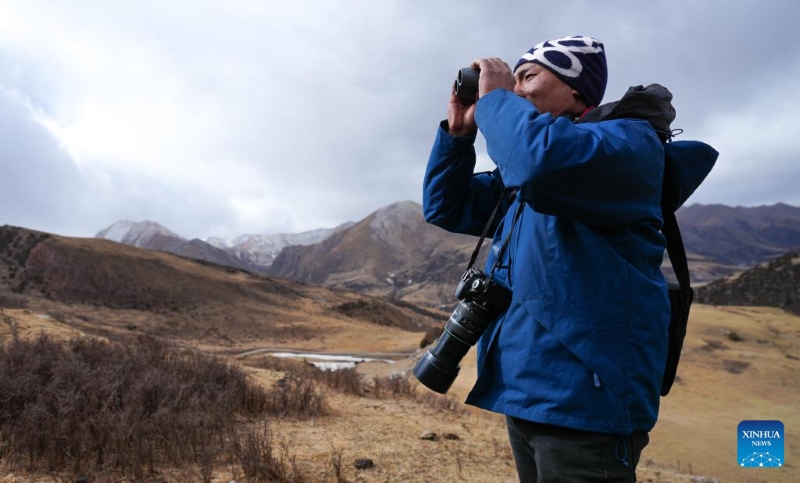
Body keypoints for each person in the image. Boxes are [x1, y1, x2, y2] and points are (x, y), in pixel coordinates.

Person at [422, 36, 717, 482]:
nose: (516, 89)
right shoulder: (532, 174)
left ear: (577, 88)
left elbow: (538, 160)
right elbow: (446, 206)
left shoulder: (624, 144)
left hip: (586, 402)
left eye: (528, 77)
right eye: (513, 80)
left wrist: (497, 98)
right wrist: (460, 138)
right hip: (529, 392)